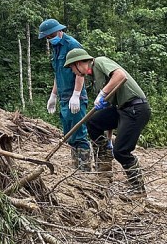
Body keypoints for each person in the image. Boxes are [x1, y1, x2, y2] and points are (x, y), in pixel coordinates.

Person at [64, 48, 151, 195]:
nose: (74, 72)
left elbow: (120, 75)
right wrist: (108, 140)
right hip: (121, 110)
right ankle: (105, 160)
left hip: (135, 109)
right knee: (93, 121)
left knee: (122, 151)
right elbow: (110, 108)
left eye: (72, 68)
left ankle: (138, 189)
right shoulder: (95, 77)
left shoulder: (99, 62)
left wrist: (103, 93)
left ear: (78, 63)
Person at [37, 18, 91, 171]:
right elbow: (58, 72)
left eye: (51, 35)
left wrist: (76, 94)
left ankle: (85, 169)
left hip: (75, 97)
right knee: (69, 134)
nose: (50, 39)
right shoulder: (57, 49)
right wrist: (53, 95)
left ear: (59, 31)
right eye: (47, 37)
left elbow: (82, 71)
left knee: (79, 132)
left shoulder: (72, 45)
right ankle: (76, 168)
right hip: (63, 97)